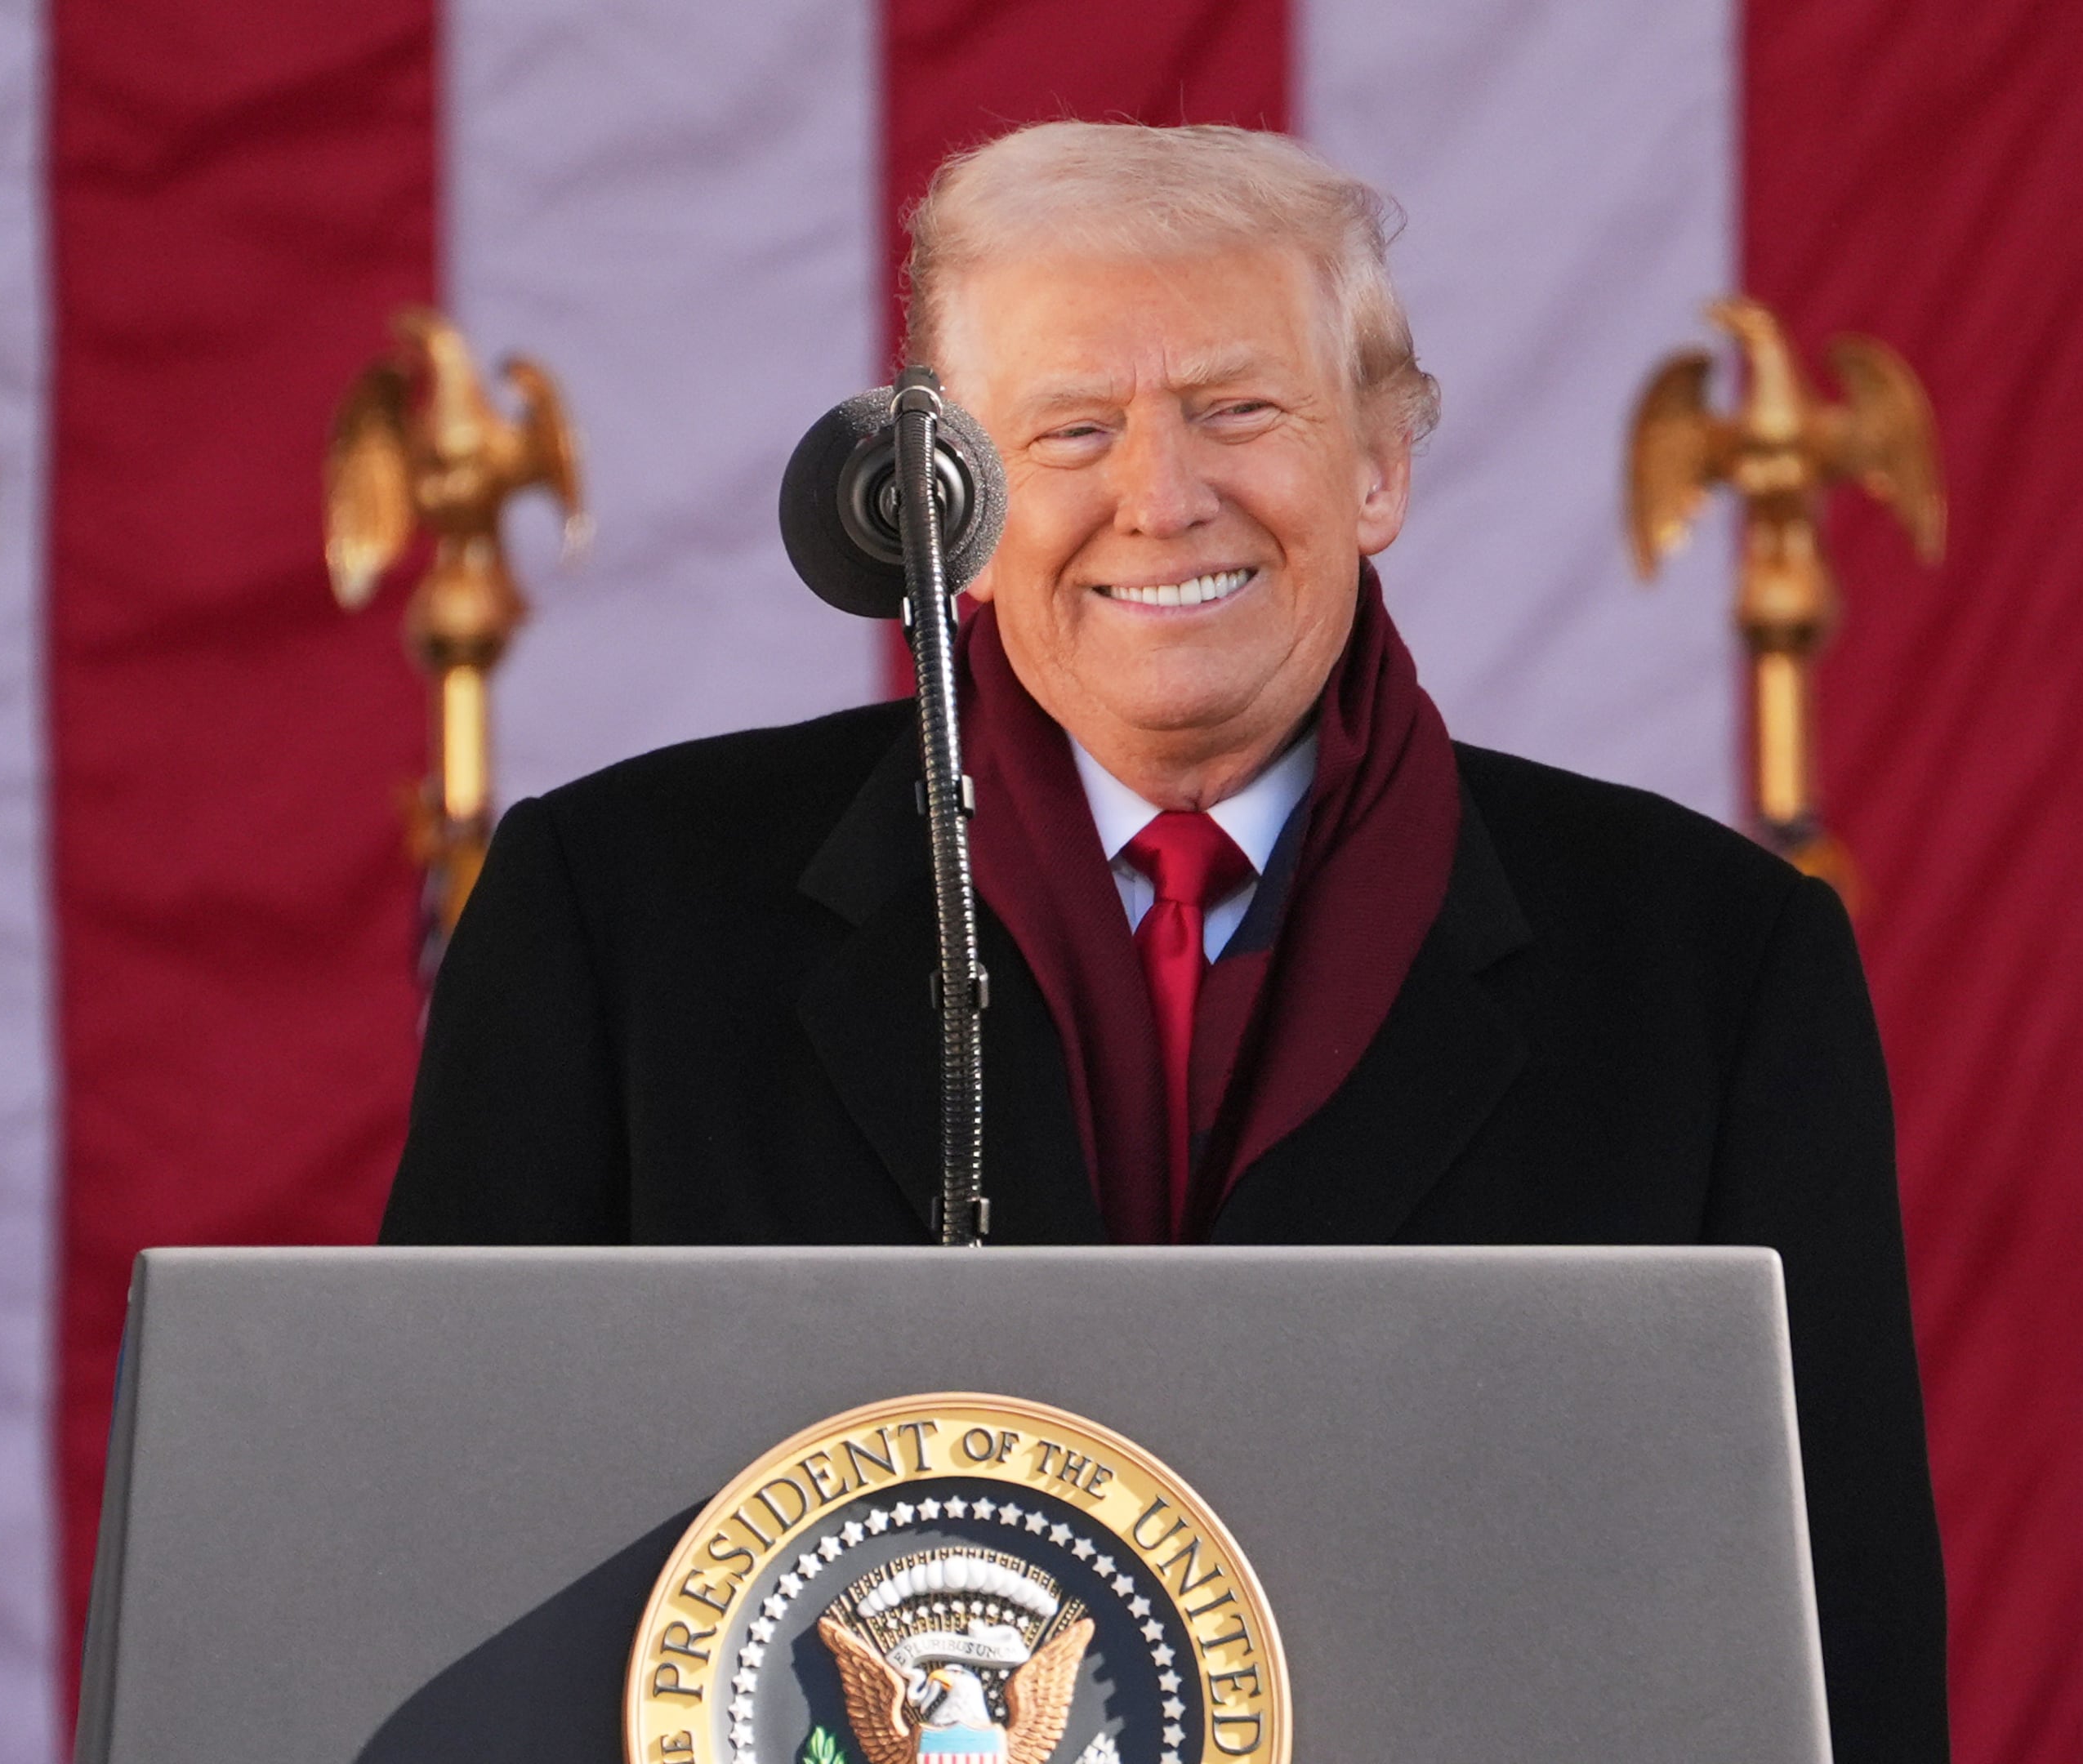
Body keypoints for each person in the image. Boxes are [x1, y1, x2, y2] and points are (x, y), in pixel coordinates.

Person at [383, 121, 1946, 1760]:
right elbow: (438, 1581)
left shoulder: (1715, 969)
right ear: (950, 507)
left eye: (1238, 409)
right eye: (1071, 430)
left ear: (1380, 468)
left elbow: (1843, 1669)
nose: (1161, 496)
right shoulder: (616, 921)